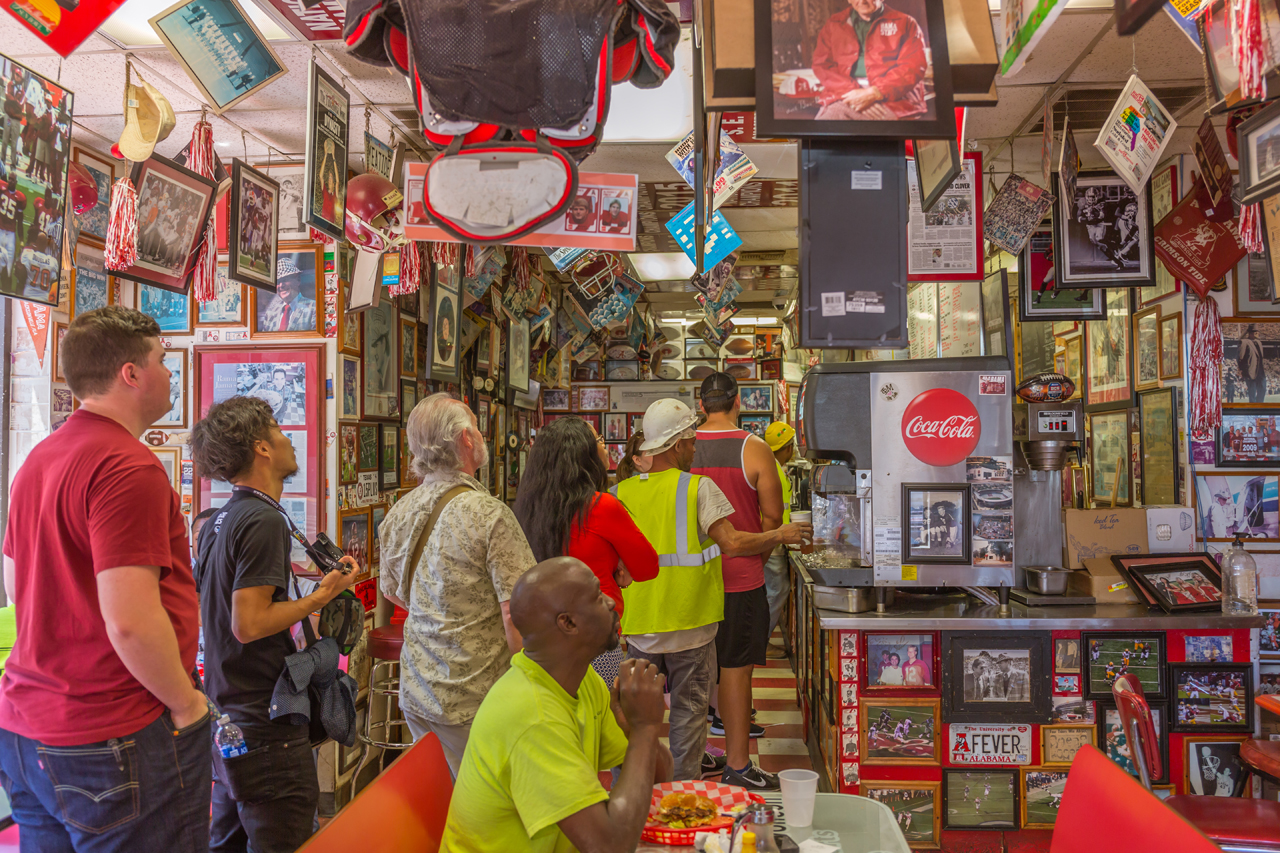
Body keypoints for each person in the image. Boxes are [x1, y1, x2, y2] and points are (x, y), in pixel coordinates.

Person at [0, 306, 210, 851]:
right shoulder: (128, 466)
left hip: (27, 726)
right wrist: (186, 703)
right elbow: (131, 622)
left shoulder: (39, 460)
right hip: (109, 735)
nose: (171, 374)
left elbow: (15, 577)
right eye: (163, 361)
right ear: (131, 374)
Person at [189, 396, 360, 852]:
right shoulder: (263, 519)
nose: (289, 441)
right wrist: (320, 597)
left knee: (226, 840)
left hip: (230, 714)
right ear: (262, 448)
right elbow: (248, 622)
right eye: (280, 432)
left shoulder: (223, 518)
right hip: (265, 723)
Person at [615, 399, 811, 787]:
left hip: (640, 626)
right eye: (689, 442)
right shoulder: (698, 488)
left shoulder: (619, 492)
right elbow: (733, 543)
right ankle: (682, 793)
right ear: (674, 446)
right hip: (692, 623)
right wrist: (780, 534)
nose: (694, 449)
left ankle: (635, 796)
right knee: (688, 718)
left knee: (639, 718)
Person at [440, 557, 674, 852]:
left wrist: (636, 730)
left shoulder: (582, 680)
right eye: (597, 596)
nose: (612, 602)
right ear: (568, 623)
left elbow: (659, 776)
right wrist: (645, 728)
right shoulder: (532, 716)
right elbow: (610, 846)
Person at [378, 392, 536, 778]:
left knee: (440, 798)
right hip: (476, 693)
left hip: (418, 688)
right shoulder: (489, 514)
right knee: (487, 806)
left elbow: (392, 591)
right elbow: (518, 611)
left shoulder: (399, 511)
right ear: (466, 438)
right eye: (477, 429)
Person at [693, 375, 792, 786]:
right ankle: (737, 765)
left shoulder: (683, 447)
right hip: (741, 579)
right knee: (736, 673)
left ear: (701, 405)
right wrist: (758, 556)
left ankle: (695, 755)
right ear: (737, 402)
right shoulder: (754, 449)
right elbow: (773, 518)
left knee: (692, 673)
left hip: (690, 579)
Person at [513, 416, 660, 691]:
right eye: (600, 441)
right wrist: (618, 566)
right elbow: (648, 567)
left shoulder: (526, 510)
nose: (605, 447)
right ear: (583, 454)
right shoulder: (602, 506)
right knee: (602, 723)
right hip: (594, 637)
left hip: (540, 641)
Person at [810, 0, 929, 122]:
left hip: (894, 97)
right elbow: (822, 65)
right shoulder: (833, 23)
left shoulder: (906, 23)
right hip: (845, 93)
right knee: (831, 120)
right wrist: (854, 93)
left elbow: (912, 67)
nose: (862, 1)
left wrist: (875, 92)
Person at [762, 422, 796, 659]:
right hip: (772, 541)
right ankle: (761, 641)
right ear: (787, 447)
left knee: (772, 592)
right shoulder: (772, 471)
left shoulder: (773, 467)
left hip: (774, 538)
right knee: (777, 591)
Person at [259, 257, 317, 333]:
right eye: (277, 282)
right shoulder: (270, 313)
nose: (281, 285)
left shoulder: (314, 308)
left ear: (298, 280)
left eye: (285, 280)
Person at [1239, 324, 1267, 404]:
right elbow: (1241, 358)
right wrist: (1243, 372)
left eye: (1257, 332)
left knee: (1263, 390)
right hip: (1250, 372)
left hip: (1261, 372)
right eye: (1255, 332)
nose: (1257, 334)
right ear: (1251, 333)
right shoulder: (1244, 342)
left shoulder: (1259, 343)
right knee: (1252, 394)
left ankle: (1260, 408)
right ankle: (1254, 411)